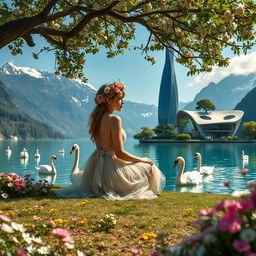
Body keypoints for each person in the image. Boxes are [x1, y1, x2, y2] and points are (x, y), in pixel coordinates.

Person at [56, 82, 166, 200]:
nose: (122, 102)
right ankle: (146, 190)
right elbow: (120, 153)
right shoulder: (114, 119)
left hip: (97, 168)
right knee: (150, 165)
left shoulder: (96, 120)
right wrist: (142, 159)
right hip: (111, 170)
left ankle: (143, 189)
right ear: (108, 101)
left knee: (144, 165)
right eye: (119, 99)